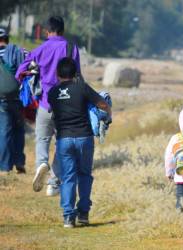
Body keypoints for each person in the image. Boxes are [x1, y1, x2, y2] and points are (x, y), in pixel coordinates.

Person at [16, 16, 81, 196]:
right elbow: (78, 76)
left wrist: (33, 71)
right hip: (67, 106)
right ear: (63, 30)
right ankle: (53, 182)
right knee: (62, 143)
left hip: (46, 103)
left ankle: (41, 164)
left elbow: (20, 71)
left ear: (47, 31)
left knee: (43, 139)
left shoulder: (40, 48)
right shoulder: (71, 48)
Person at [48, 57, 111, 228]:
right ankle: (83, 213)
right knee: (84, 175)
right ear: (75, 73)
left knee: (68, 177)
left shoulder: (52, 92)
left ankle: (68, 217)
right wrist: (108, 113)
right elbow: (102, 104)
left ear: (57, 74)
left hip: (64, 139)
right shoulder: (82, 88)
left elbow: (53, 111)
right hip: (84, 138)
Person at [0, 27, 26, 174]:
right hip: (17, 98)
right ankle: (19, 162)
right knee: (19, 130)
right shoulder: (17, 51)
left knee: (4, 131)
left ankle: (4, 167)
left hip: (1, 99)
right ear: (7, 39)